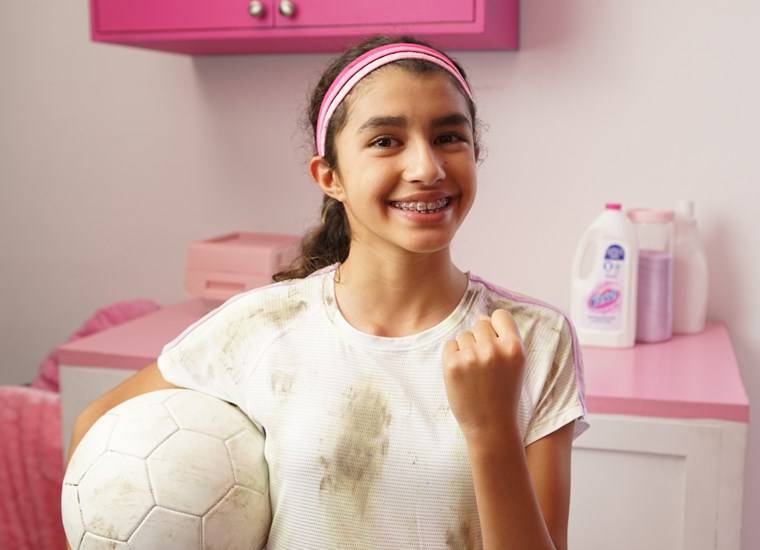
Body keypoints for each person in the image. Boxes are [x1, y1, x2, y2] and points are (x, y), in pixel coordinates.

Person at [67, 34, 589, 550]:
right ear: (329, 176)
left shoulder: (533, 339)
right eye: (386, 141)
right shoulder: (261, 326)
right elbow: (95, 426)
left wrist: (492, 428)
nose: (426, 168)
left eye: (449, 137)